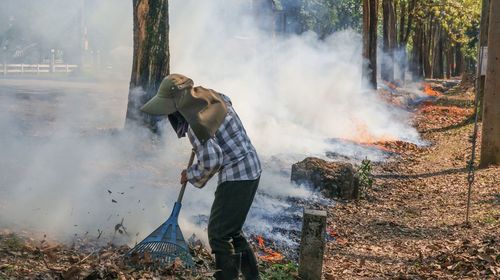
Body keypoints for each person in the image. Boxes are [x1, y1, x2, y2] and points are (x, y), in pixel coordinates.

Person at [140, 74, 262, 280]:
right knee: (232, 231)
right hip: (251, 167)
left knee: (219, 234)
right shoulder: (212, 98)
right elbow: (228, 101)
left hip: (238, 175)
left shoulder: (197, 125)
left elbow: (213, 159)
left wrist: (191, 173)